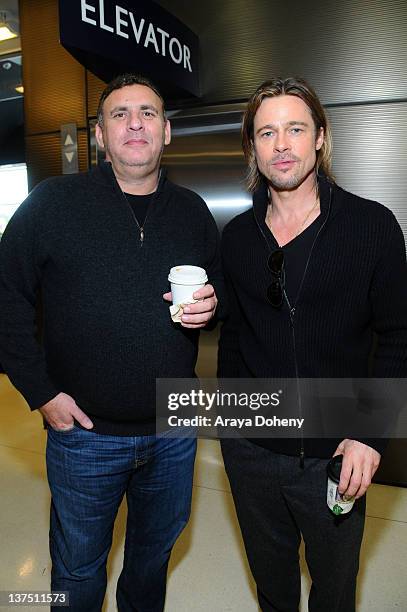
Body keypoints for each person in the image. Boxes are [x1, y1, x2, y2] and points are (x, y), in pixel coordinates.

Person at [0, 73, 221, 612]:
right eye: (119, 114)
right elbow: (6, 295)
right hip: (84, 435)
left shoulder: (193, 212)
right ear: (100, 135)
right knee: (77, 571)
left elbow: (218, 303)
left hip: (173, 429)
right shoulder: (53, 203)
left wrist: (212, 310)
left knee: (150, 561)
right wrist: (41, 392)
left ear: (166, 132)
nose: (135, 124)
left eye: (147, 113)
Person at [218, 77, 407, 611]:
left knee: (335, 591)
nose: (281, 144)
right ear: (252, 146)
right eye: (266, 132)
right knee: (273, 588)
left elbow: (398, 338)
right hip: (252, 454)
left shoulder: (371, 226)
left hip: (335, 454)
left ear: (320, 137)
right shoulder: (236, 238)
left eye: (295, 129)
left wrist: (370, 435)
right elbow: (233, 338)